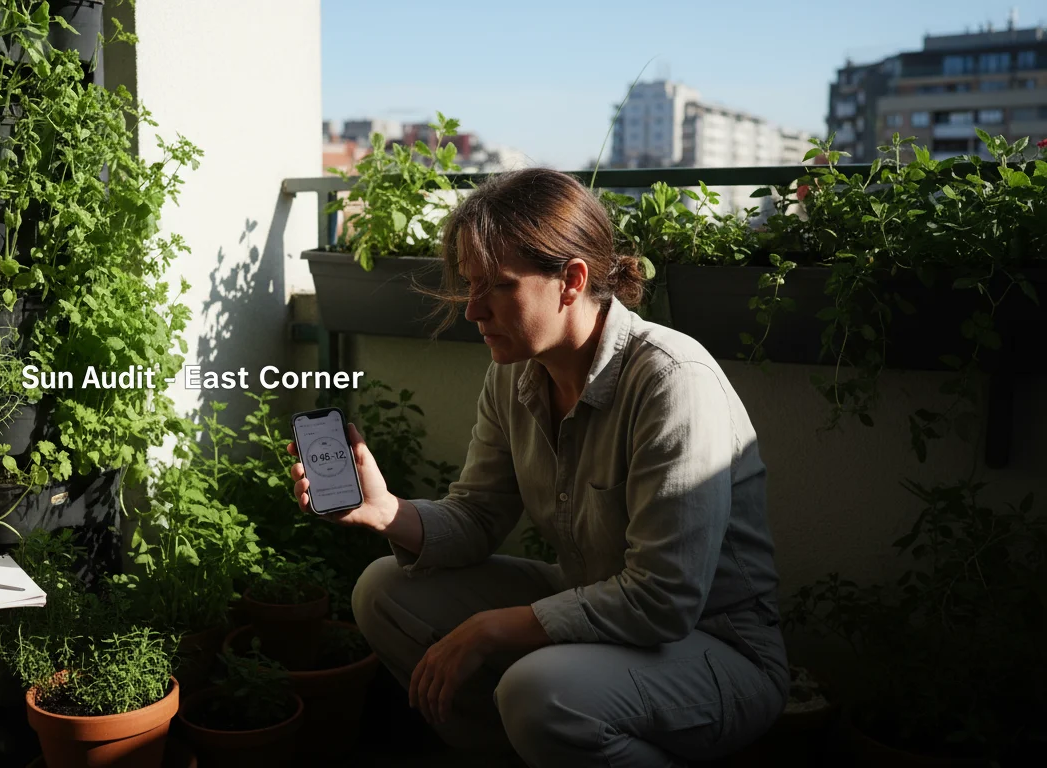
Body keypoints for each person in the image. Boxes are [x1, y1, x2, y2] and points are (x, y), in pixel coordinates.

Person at [287, 168, 788, 768]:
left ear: (571, 280)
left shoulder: (671, 381)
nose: (473, 311)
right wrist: (387, 512)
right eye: (469, 286)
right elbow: (477, 516)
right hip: (592, 599)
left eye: (495, 287)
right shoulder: (515, 373)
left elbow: (664, 600)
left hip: (712, 646)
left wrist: (491, 629)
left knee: (539, 691)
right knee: (383, 592)